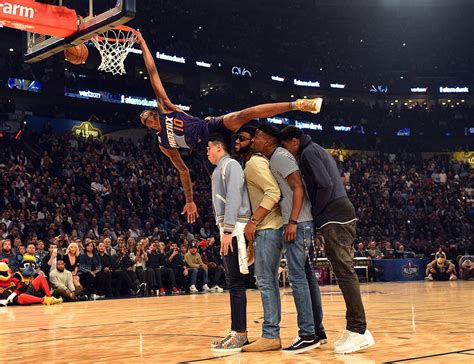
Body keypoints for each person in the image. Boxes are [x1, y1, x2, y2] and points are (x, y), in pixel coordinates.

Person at [136, 31, 322, 224]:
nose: (144, 116)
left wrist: (142, 44)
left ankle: (298, 104)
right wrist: (189, 201)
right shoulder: (163, 144)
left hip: (209, 127)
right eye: (142, 119)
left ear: (153, 112)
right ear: (147, 125)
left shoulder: (166, 107)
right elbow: (183, 170)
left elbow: (153, 73)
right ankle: (246, 220)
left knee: (245, 114)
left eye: (145, 113)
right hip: (206, 149)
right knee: (221, 186)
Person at [280, 126, 374, 354]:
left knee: (344, 272)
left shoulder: (309, 152)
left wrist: (317, 212)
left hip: (335, 216)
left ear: (294, 141)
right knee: (344, 272)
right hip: (338, 214)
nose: (286, 152)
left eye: (285, 147)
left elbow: (325, 185)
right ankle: (355, 329)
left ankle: (359, 330)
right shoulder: (315, 149)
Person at [257, 122, 325, 353]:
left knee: (297, 278)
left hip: (298, 221)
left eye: (257, 135)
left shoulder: (279, 156)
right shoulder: (279, 156)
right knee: (305, 276)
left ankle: (307, 334)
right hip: (301, 221)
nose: (254, 139)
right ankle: (318, 331)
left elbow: (298, 188)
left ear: (267, 139)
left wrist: (293, 221)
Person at [238, 125, 284, 353]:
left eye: (245, 138)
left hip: (267, 227)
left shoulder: (255, 163)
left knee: (266, 282)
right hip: (270, 228)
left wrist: (253, 220)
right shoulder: (255, 162)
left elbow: (273, 192)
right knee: (269, 282)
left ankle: (270, 335)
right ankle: (271, 333)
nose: (241, 141)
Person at [207, 132, 251, 352]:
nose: (207, 152)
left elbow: (234, 196)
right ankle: (236, 330)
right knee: (232, 281)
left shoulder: (231, 165)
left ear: (218, 147)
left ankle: (241, 333)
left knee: (236, 282)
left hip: (235, 229)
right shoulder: (220, 169)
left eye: (208, 148)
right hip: (230, 228)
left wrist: (228, 229)